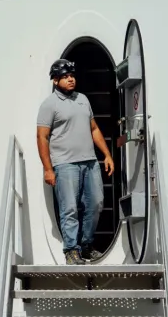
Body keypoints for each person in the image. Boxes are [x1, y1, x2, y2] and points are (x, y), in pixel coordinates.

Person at [36, 59, 115, 265]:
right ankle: (71, 250)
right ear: (55, 81)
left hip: (90, 162)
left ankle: (86, 246)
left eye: (72, 75)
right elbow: (42, 137)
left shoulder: (83, 99)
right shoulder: (49, 105)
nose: (70, 79)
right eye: (65, 76)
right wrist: (48, 169)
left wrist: (107, 155)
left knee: (96, 203)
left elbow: (94, 129)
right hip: (65, 164)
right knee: (69, 208)